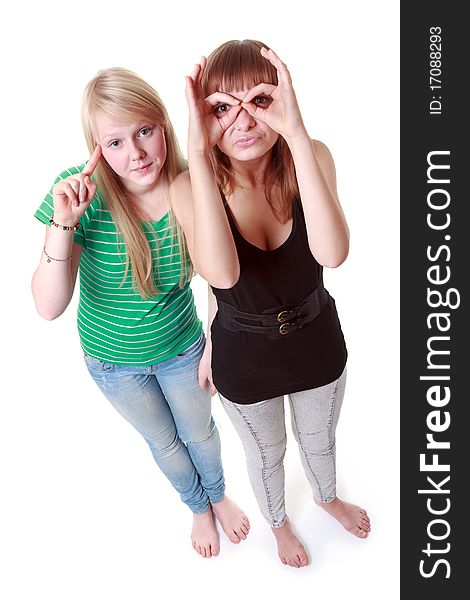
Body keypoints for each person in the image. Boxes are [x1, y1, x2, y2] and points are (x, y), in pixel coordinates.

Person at [31, 67, 249, 559]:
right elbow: (48, 307)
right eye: (115, 142)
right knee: (167, 445)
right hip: (113, 363)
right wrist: (62, 225)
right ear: (96, 149)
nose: (136, 154)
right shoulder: (80, 198)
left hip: (182, 349)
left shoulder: (196, 189)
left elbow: (220, 275)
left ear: (163, 125)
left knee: (201, 433)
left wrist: (215, 343)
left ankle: (218, 495)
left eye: (144, 131)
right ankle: (197, 507)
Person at [175, 40, 371, 568]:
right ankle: (279, 524)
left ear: (282, 100)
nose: (242, 120)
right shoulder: (187, 183)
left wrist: (297, 133)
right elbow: (220, 275)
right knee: (267, 456)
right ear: (202, 116)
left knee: (319, 439)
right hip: (245, 358)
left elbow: (334, 252)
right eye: (221, 107)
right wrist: (197, 152)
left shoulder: (313, 155)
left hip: (316, 345)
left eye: (259, 101)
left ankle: (327, 498)